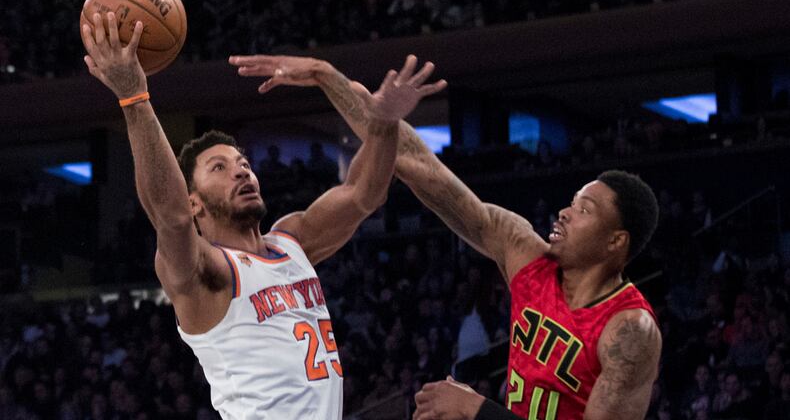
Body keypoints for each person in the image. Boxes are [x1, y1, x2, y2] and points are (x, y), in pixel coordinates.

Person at [230, 55, 661, 419]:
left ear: (615, 242)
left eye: (584, 210)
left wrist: (477, 410)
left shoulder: (629, 329)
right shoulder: (527, 256)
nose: (566, 212)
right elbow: (423, 168)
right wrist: (329, 77)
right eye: (572, 200)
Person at [80, 12, 445, 419]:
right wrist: (134, 98)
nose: (240, 170)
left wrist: (384, 122)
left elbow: (363, 193)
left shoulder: (292, 240)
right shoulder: (207, 272)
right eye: (219, 168)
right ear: (195, 200)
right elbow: (172, 219)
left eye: (243, 163)